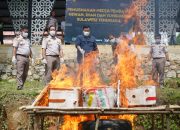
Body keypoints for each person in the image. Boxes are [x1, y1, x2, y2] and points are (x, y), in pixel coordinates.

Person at [12, 26, 34, 90]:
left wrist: (32, 57)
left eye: (27, 32)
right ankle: (19, 85)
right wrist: (13, 57)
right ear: (21, 31)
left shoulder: (28, 40)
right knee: (20, 72)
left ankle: (22, 85)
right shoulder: (17, 39)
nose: (26, 33)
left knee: (25, 73)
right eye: (25, 32)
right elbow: (15, 48)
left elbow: (29, 49)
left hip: (27, 58)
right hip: (20, 57)